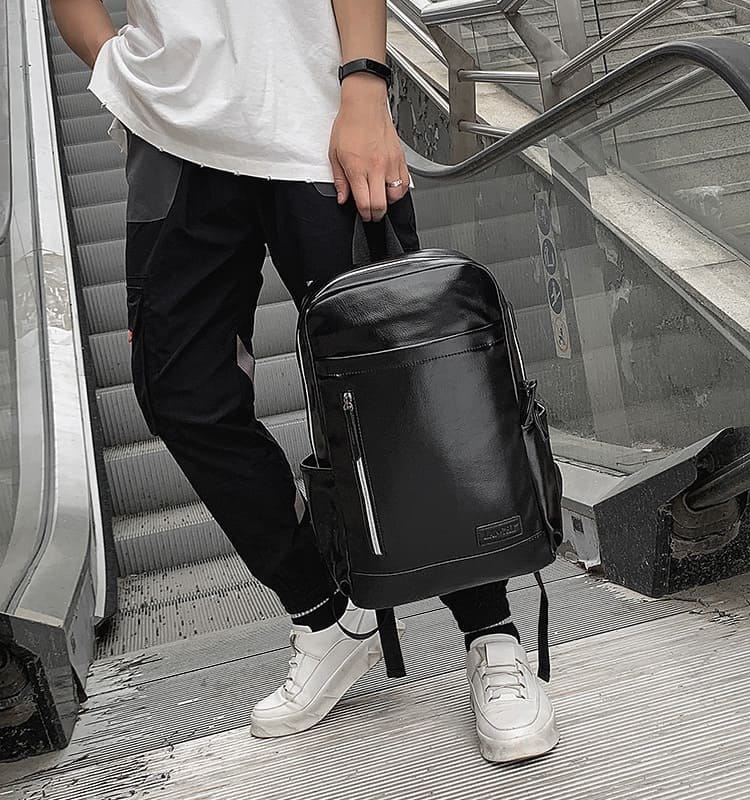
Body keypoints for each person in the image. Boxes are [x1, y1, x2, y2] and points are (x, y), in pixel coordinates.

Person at [52, 0, 559, 764]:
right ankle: (326, 615)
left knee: (407, 381)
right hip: (170, 136)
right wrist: (115, 70)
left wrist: (365, 82)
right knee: (180, 392)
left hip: (313, 111)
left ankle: (491, 633)